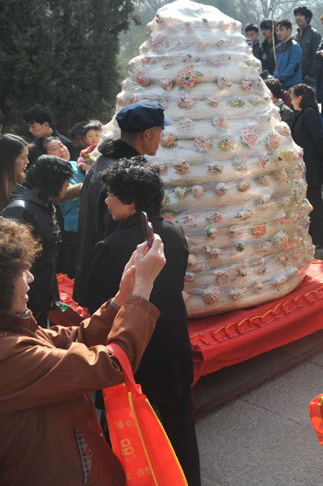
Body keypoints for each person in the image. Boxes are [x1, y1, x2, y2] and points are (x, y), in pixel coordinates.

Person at [0, 215, 166, 486]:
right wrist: (143, 289)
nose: (30, 277)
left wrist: (123, 297)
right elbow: (112, 364)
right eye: (20, 271)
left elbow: (75, 339)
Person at [84, 159, 201, 485]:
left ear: (131, 202)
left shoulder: (110, 246)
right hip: (172, 344)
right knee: (180, 420)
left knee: (125, 430)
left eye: (111, 194)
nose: (106, 200)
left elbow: (99, 305)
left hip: (132, 351)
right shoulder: (174, 234)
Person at [75, 100, 172, 308]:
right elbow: (129, 234)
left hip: (94, 272)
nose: (161, 140)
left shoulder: (102, 162)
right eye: (160, 133)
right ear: (147, 135)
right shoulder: (129, 175)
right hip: (117, 285)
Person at [1, 155, 74, 326]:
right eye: (66, 180)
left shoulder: (46, 204)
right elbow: (12, 262)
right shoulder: (19, 210)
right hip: (25, 294)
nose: (68, 185)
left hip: (42, 290)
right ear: (54, 181)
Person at [290, 84, 323, 249]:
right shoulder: (301, 114)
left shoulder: (309, 113)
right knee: (310, 202)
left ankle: (322, 238)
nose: (291, 101)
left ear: (299, 98)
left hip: (312, 167)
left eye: (292, 97)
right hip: (306, 167)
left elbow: (318, 140)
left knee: (315, 203)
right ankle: (315, 237)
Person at [44, 136, 85, 278]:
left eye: (61, 146)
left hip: (91, 220)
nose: (61, 150)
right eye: (55, 149)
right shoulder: (52, 173)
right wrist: (85, 187)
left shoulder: (78, 164)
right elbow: (57, 197)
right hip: (73, 226)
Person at [294, 5, 322, 87]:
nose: (298, 18)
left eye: (301, 15)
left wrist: (310, 74)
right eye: (296, 15)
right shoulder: (295, 36)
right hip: (297, 77)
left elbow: (316, 56)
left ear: (308, 18)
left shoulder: (314, 34)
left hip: (310, 78)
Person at [274, 18, 303, 89]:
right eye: (277, 31)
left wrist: (281, 79)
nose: (278, 33)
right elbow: (275, 66)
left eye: (281, 30)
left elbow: (293, 67)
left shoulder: (295, 47)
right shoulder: (278, 47)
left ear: (289, 30)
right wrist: (274, 79)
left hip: (292, 86)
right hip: (280, 86)